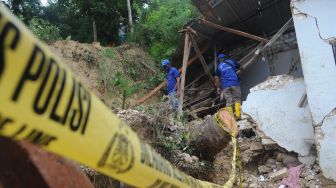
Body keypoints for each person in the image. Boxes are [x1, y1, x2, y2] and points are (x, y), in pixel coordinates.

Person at [214, 53, 242, 120]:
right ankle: (237, 115)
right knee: (237, 99)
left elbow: (216, 78)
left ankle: (229, 118)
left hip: (225, 85)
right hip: (234, 83)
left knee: (229, 101)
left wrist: (218, 87)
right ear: (225, 57)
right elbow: (241, 66)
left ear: (219, 60)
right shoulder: (232, 61)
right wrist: (240, 70)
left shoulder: (219, 67)